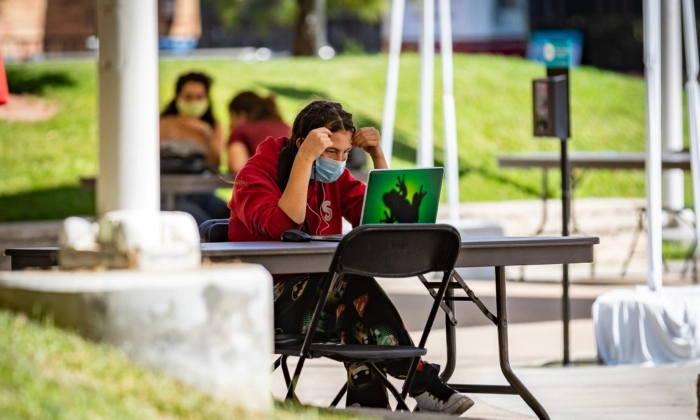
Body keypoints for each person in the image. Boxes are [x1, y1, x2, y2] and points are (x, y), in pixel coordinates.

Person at [227, 100, 474, 414]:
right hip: (264, 306)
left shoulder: (333, 177)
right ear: (304, 145)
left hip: (324, 303)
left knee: (350, 307)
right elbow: (283, 224)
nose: (339, 162)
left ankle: (369, 404)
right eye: (331, 152)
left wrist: (377, 156)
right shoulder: (256, 173)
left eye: (345, 154)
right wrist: (305, 159)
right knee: (346, 283)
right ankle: (418, 377)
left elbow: (388, 223)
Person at [159, 72, 230, 225]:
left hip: (203, 193)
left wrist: (206, 134)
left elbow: (215, 163)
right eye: (188, 97)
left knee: (229, 216)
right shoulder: (162, 124)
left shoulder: (213, 127)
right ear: (177, 97)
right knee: (200, 221)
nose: (193, 102)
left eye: (199, 97)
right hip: (169, 195)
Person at [227, 91, 291, 173]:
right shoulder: (286, 127)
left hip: (263, 183)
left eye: (231, 117)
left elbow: (237, 167)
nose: (230, 124)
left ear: (241, 115)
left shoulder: (240, 131)